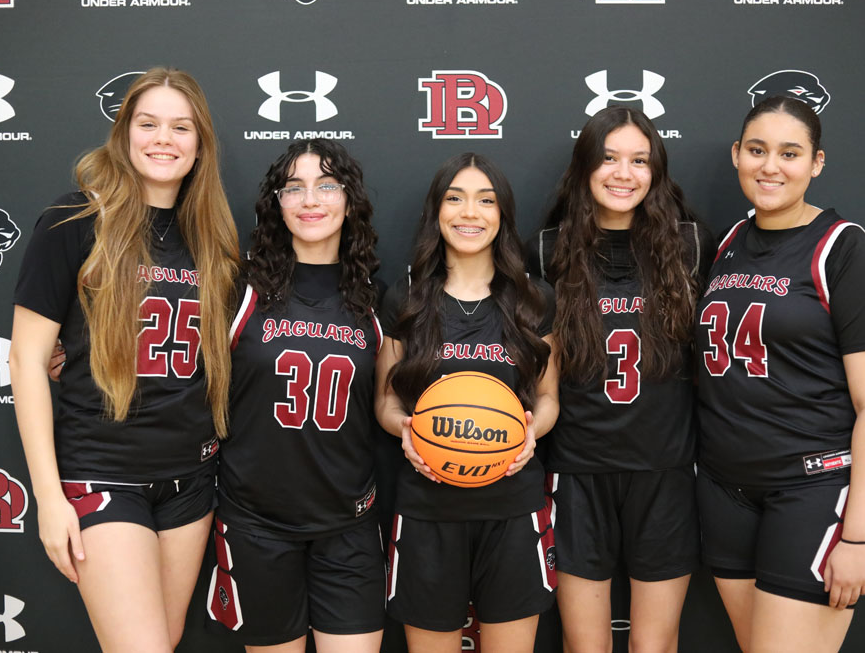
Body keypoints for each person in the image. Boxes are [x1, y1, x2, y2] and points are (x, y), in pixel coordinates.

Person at [9, 67, 240, 652]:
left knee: (166, 637)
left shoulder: (213, 238)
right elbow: (28, 361)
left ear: (200, 144)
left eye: (180, 127)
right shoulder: (73, 221)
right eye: (149, 123)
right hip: (104, 472)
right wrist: (48, 498)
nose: (164, 138)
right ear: (125, 133)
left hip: (192, 479)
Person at [695, 95, 865, 652]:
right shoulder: (729, 244)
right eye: (757, 150)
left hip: (810, 488)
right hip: (724, 489)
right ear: (737, 154)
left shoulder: (844, 251)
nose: (771, 166)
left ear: (816, 163)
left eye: (790, 153)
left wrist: (857, 536)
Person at [528, 106, 713, 653]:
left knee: (654, 645)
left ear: (655, 171)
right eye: (608, 158)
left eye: (639, 160)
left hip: (666, 472)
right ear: (584, 167)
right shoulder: (546, 250)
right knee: (585, 645)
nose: (623, 173)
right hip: (577, 472)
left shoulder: (691, 246)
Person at [204, 139, 385, 652]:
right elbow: (170, 369)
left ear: (349, 201)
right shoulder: (238, 292)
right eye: (295, 187)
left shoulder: (374, 298)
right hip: (256, 525)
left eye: (327, 186)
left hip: (347, 526)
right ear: (276, 203)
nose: (311, 200)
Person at [375, 152, 559, 653]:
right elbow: (386, 404)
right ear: (436, 212)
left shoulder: (533, 299)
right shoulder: (407, 298)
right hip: (427, 509)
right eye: (454, 199)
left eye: (485, 200)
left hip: (513, 507)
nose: (469, 213)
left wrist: (529, 433)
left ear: (503, 216)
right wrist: (407, 432)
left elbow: (547, 398)